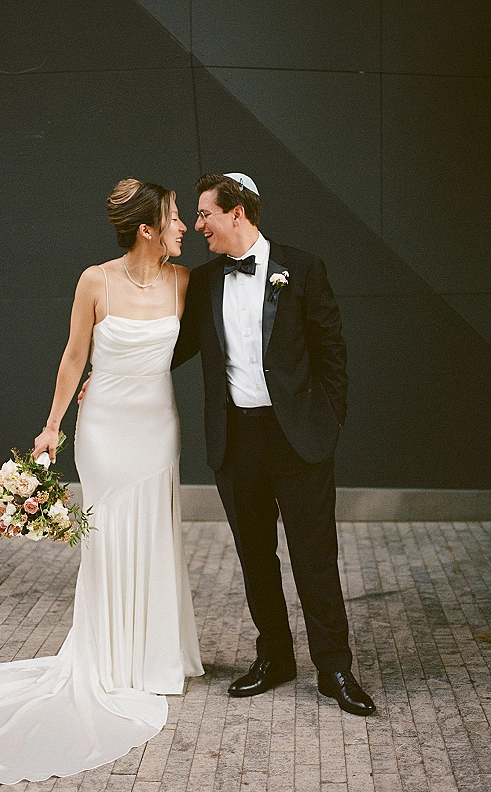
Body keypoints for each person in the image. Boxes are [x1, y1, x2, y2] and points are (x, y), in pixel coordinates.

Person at [0, 179, 203, 786]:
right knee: (108, 534)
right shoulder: (94, 280)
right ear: (147, 228)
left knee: (152, 532)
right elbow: (74, 356)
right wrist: (52, 428)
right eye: (175, 218)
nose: (184, 227)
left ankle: (152, 657)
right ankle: (109, 657)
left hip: (157, 429)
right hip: (103, 434)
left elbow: (193, 345)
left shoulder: (184, 283)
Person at [171, 172, 375, 716]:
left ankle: (334, 667)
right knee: (255, 557)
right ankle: (275, 657)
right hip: (236, 440)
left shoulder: (303, 268)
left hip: (298, 439)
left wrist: (327, 424)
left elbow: (332, 353)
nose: (198, 225)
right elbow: (177, 348)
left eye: (206, 214)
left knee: (314, 558)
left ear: (237, 213)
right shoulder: (207, 280)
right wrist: (113, 370)